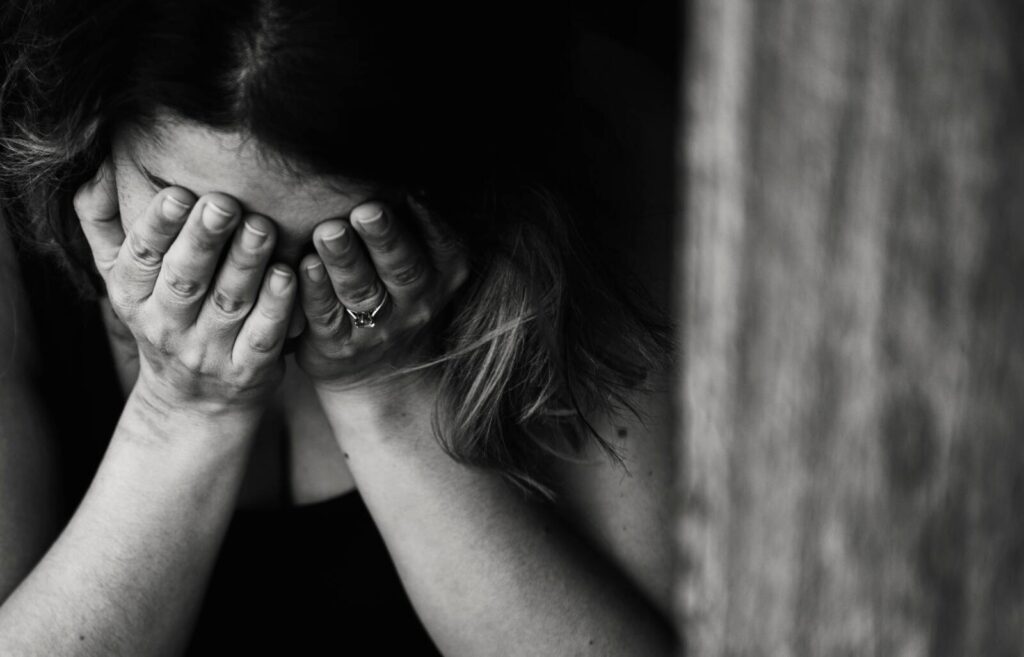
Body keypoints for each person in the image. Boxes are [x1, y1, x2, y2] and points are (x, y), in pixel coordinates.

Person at [0, 1, 675, 654]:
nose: (263, 293)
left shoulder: (599, 144)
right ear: (90, 128)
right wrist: (178, 411)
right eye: (197, 221)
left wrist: (385, 392)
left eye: (337, 241)